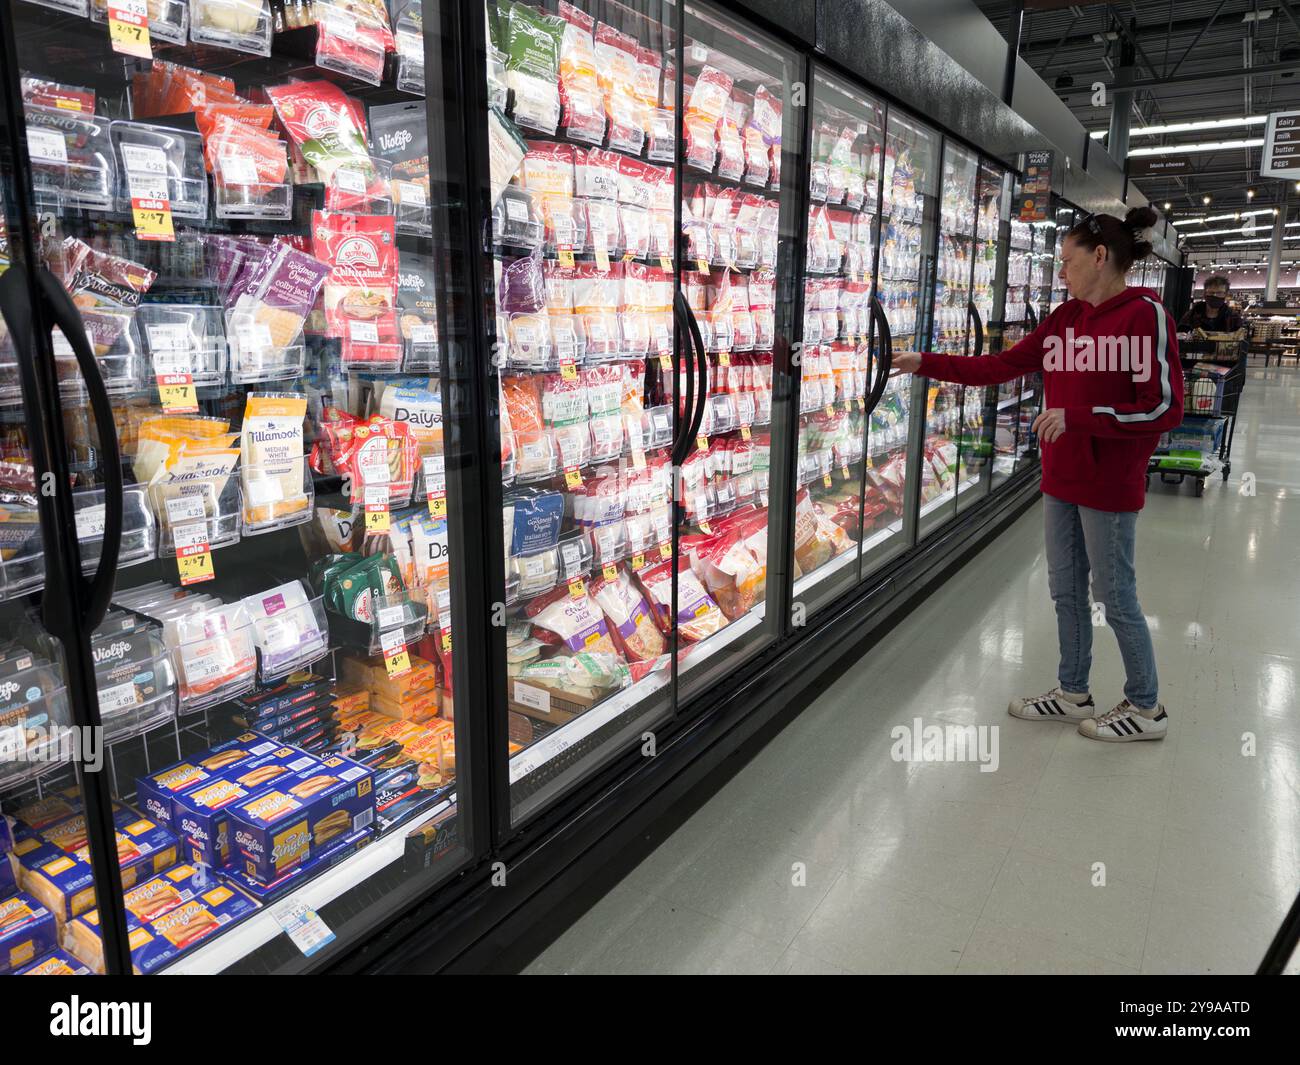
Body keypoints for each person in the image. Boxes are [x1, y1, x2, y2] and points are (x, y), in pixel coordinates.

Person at [891, 206, 1184, 742]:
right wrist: (925, 362)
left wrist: (1078, 418)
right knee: (1065, 591)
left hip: (1109, 486)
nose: (1060, 273)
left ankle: (1146, 708)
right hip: (1062, 479)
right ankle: (1074, 692)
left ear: (1100, 257)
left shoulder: (1144, 316)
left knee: (1115, 597)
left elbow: (1162, 408)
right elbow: (1000, 366)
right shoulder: (1064, 320)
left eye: (1067, 262)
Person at [1178, 275, 1244, 333]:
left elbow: (1240, 341)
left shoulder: (1233, 318)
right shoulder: (1191, 315)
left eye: (1219, 293)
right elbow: (1180, 336)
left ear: (1226, 295)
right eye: (1211, 292)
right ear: (1205, 294)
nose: (1215, 296)